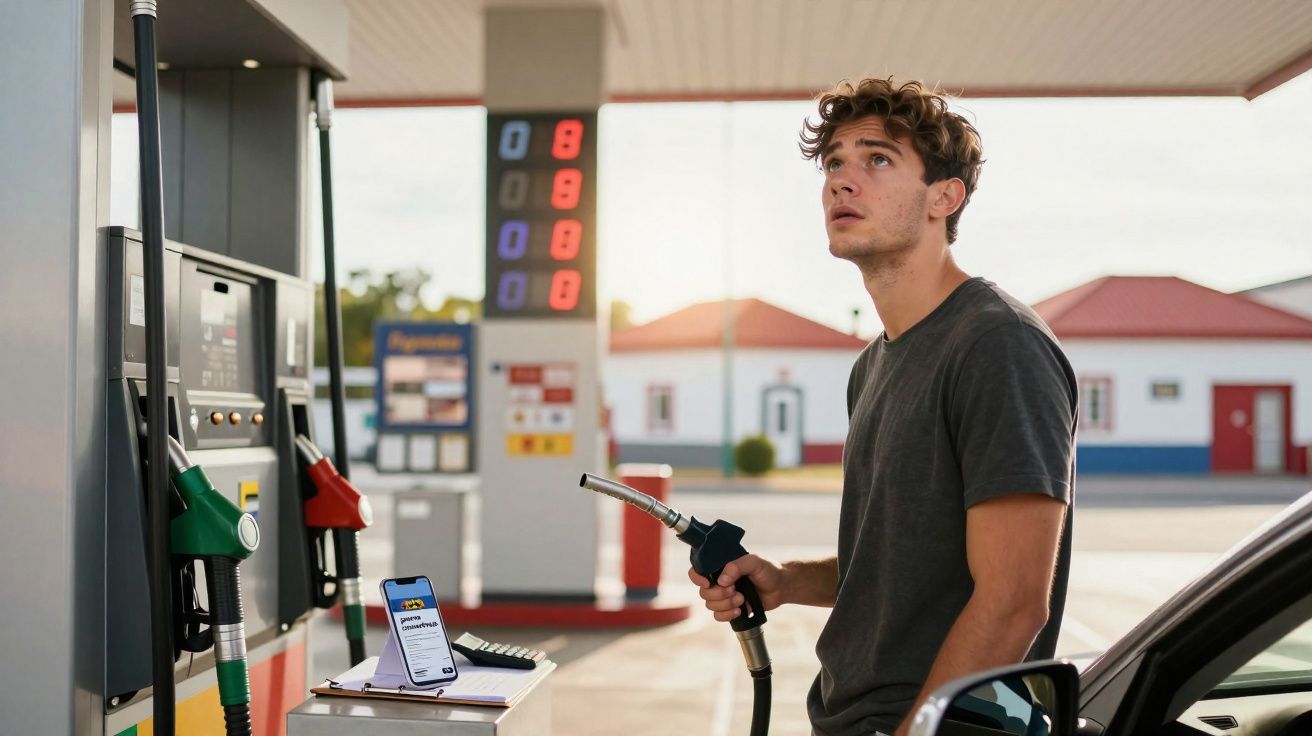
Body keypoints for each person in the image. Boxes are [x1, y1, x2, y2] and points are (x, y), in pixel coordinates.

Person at [689, 78, 1077, 736]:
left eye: (877, 159)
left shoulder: (997, 345)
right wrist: (786, 582)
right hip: (853, 716)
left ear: (943, 197)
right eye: (835, 161)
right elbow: (901, 565)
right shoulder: (874, 365)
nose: (843, 180)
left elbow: (1014, 603)